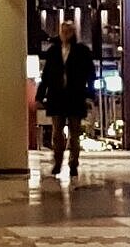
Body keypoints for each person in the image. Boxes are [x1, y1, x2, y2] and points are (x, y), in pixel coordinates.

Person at [36, 21, 97, 177]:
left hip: (75, 96)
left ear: (73, 33)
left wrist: (89, 95)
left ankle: (73, 163)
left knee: (74, 133)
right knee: (57, 133)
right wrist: (40, 96)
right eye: (64, 31)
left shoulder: (82, 51)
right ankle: (57, 162)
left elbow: (90, 75)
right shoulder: (53, 51)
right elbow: (47, 76)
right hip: (57, 96)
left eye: (69, 31)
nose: (66, 34)